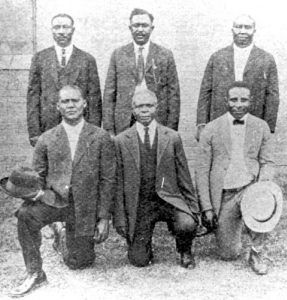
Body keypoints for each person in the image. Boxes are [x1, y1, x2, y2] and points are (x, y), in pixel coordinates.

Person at [9, 85, 115, 297]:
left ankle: (63, 236)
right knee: (25, 215)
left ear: (84, 103)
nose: (71, 105)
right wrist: (35, 197)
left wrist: (103, 218)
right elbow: (37, 177)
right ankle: (35, 272)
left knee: (79, 262)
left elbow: (107, 180)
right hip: (54, 202)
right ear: (58, 106)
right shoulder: (46, 138)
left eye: (75, 100)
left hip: (84, 208)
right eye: (65, 102)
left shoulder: (101, 137)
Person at [195, 81, 278, 275]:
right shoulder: (211, 128)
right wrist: (207, 208)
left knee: (263, 202)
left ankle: (257, 253)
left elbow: (268, 162)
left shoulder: (261, 126)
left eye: (243, 100)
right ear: (226, 101)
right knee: (228, 253)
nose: (238, 105)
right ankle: (236, 222)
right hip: (225, 195)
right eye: (233, 100)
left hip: (250, 189)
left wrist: (263, 186)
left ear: (251, 101)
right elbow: (201, 170)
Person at [114, 88, 198, 269]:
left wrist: (193, 209)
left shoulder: (172, 137)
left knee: (186, 223)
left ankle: (184, 249)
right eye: (139, 106)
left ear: (156, 108)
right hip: (141, 204)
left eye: (149, 105)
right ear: (132, 109)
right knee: (139, 261)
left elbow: (184, 177)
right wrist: (120, 218)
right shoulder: (121, 141)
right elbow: (119, 183)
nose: (144, 110)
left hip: (168, 199)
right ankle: (145, 246)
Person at [196, 14, 279, 140]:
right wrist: (202, 123)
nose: (242, 31)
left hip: (254, 121)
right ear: (232, 29)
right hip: (220, 120)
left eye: (247, 27)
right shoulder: (217, 57)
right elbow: (205, 92)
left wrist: (268, 127)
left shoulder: (267, 59)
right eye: (238, 27)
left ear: (254, 31)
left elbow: (272, 95)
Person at [27, 13, 102, 147]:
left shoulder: (87, 60)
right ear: (52, 30)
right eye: (57, 27)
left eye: (65, 27)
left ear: (73, 30)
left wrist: (93, 133)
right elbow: (33, 98)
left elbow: (94, 99)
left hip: (79, 126)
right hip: (48, 127)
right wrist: (34, 133)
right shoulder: (40, 58)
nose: (61, 31)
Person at [103, 8, 180, 136]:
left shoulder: (165, 55)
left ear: (152, 28)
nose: (140, 29)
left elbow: (174, 95)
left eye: (144, 25)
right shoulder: (118, 54)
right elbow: (109, 94)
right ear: (130, 28)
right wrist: (109, 129)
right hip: (125, 121)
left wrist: (171, 128)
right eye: (136, 25)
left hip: (157, 119)